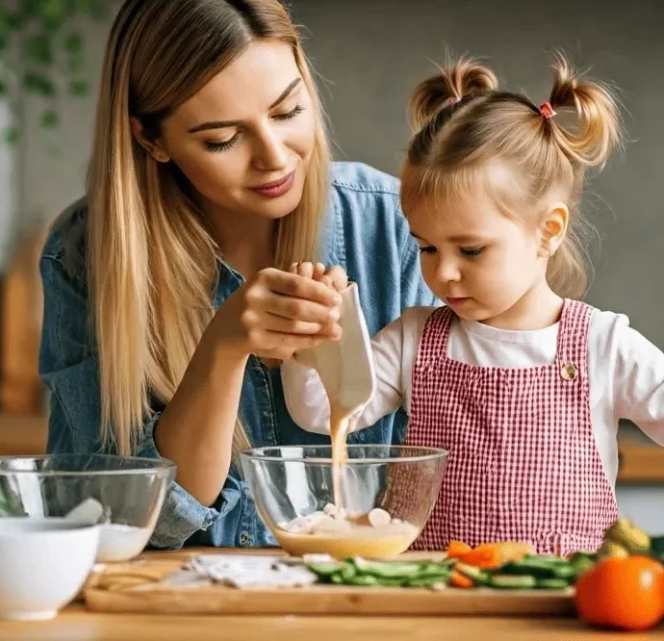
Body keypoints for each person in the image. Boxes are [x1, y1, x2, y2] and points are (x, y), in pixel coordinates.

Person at [38, 0, 436, 550]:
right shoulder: (87, 260)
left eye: (288, 111)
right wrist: (222, 349)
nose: (274, 156)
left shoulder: (397, 225)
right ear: (151, 138)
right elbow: (113, 528)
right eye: (223, 138)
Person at [282, 56, 664, 555]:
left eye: (471, 250)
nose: (443, 272)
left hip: (558, 608)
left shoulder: (601, 346)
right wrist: (309, 341)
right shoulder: (413, 340)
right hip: (434, 600)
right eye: (427, 247)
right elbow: (322, 412)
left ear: (547, 231)